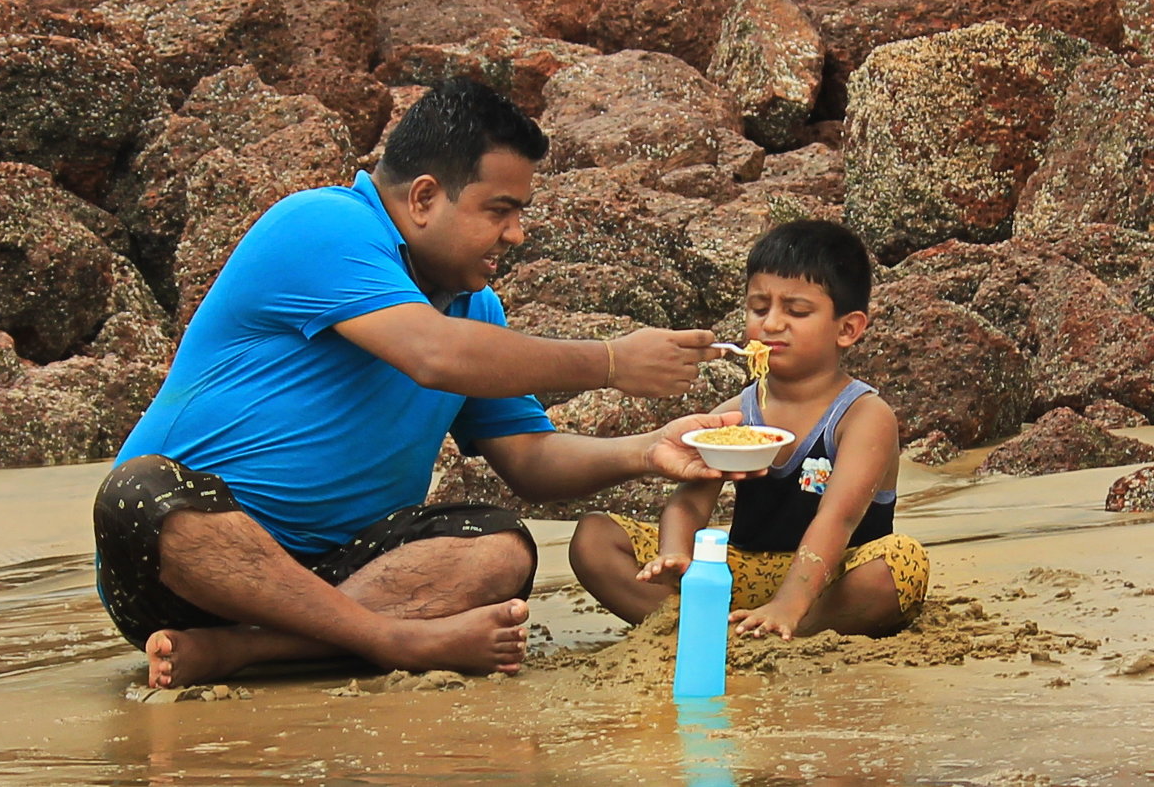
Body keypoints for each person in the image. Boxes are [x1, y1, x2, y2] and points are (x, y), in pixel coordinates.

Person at [93, 77, 742, 690]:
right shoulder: (322, 225)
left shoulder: (475, 308)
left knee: (501, 547)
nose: (515, 233)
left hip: (350, 572)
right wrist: (610, 362)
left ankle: (252, 650)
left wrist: (648, 447)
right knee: (139, 490)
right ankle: (391, 640)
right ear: (425, 197)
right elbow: (432, 355)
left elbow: (530, 459)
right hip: (192, 572)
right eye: (500, 210)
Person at [569, 220, 930, 640]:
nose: (771, 324)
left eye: (796, 311)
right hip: (743, 571)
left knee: (900, 563)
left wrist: (789, 605)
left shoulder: (864, 416)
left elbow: (839, 518)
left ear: (847, 328)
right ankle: (702, 626)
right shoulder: (736, 415)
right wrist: (673, 553)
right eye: (759, 308)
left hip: (831, 578)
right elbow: (688, 504)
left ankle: (790, 627)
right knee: (594, 537)